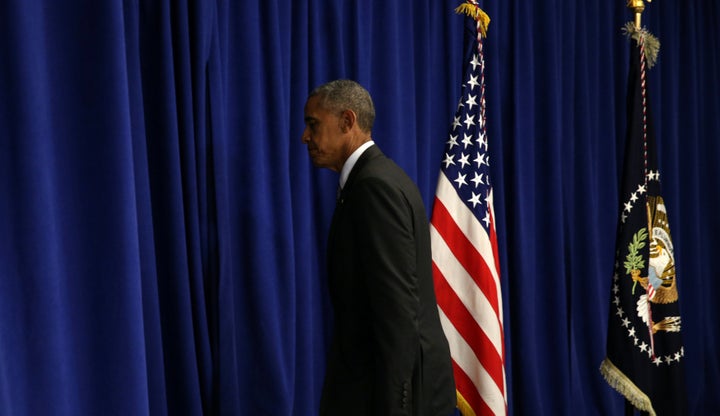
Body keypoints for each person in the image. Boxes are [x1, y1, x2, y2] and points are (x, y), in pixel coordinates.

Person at [301, 79, 457, 416]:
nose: (306, 137)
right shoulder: (375, 179)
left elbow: (397, 312)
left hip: (394, 396)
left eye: (313, 124)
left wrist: (396, 407)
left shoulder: (373, 187)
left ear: (347, 121)